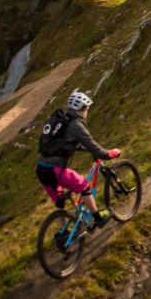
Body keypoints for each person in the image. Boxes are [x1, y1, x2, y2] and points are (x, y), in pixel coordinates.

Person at [35, 90, 120, 226]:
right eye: (87, 109)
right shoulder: (77, 126)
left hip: (41, 169)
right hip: (56, 170)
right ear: (82, 109)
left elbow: (61, 143)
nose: (87, 112)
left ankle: (62, 234)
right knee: (84, 187)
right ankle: (98, 218)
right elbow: (97, 149)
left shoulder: (62, 121)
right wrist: (111, 153)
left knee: (60, 201)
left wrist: (79, 148)